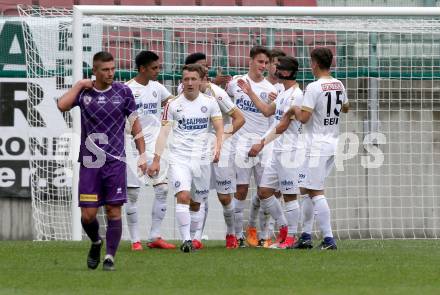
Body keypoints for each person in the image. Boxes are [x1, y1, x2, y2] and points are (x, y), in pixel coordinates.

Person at [57, 51, 147, 271]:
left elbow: (135, 123)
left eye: (112, 69)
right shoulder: (85, 92)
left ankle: (110, 257)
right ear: (95, 71)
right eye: (105, 70)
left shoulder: (123, 92)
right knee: (88, 216)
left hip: (115, 162)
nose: (110, 73)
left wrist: (142, 154)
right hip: (90, 163)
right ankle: (96, 242)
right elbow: (62, 105)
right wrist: (79, 84)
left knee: (113, 211)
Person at [147, 64, 223, 253]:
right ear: (182, 81)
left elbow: (219, 128)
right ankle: (186, 240)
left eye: (193, 79)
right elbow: (164, 133)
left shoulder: (210, 102)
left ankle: (194, 238)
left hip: (203, 159)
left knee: (197, 203)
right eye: (186, 79)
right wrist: (156, 159)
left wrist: (218, 148)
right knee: (183, 196)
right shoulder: (173, 105)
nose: (189, 83)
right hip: (179, 157)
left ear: (200, 81)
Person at [292, 47, 349, 250]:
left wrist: (295, 109)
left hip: (315, 145)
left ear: (315, 63)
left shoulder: (314, 87)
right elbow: (346, 107)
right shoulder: (339, 84)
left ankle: (328, 239)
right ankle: (306, 236)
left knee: (315, 191)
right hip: (332, 142)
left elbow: (304, 118)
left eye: (311, 61)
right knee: (306, 189)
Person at [248, 56, 303, 249]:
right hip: (277, 151)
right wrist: (249, 92)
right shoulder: (282, 93)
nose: (274, 70)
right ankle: (284, 229)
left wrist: (261, 143)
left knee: (289, 196)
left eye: (278, 68)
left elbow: (281, 126)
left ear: (286, 73)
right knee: (264, 192)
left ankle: (292, 237)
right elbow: (266, 111)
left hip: (290, 151)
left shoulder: (296, 96)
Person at [226, 45, 277, 247]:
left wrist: (262, 142)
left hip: (261, 145)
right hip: (240, 145)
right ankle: (237, 235)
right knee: (241, 190)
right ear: (251, 61)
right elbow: (223, 101)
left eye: (266, 63)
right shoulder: (235, 84)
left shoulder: (270, 90)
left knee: (266, 191)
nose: (263, 66)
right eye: (260, 62)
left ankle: (265, 235)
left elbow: (274, 122)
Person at [124, 50, 175, 251]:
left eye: (158, 67)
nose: (157, 71)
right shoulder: (126, 89)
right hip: (133, 146)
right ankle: (135, 240)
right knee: (133, 194)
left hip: (156, 146)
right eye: (154, 68)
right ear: (142, 68)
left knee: (162, 189)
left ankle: (155, 236)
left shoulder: (157, 88)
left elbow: (174, 102)